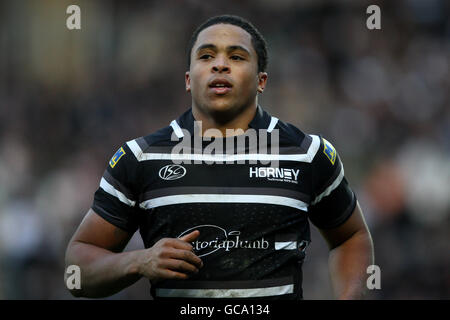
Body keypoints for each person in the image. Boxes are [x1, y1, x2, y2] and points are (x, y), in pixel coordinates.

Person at [65, 14, 374, 300]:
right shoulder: (140, 158)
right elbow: (77, 269)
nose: (220, 65)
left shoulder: (308, 154)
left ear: (261, 80)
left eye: (236, 57)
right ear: (188, 79)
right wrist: (138, 260)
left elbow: (351, 237)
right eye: (206, 56)